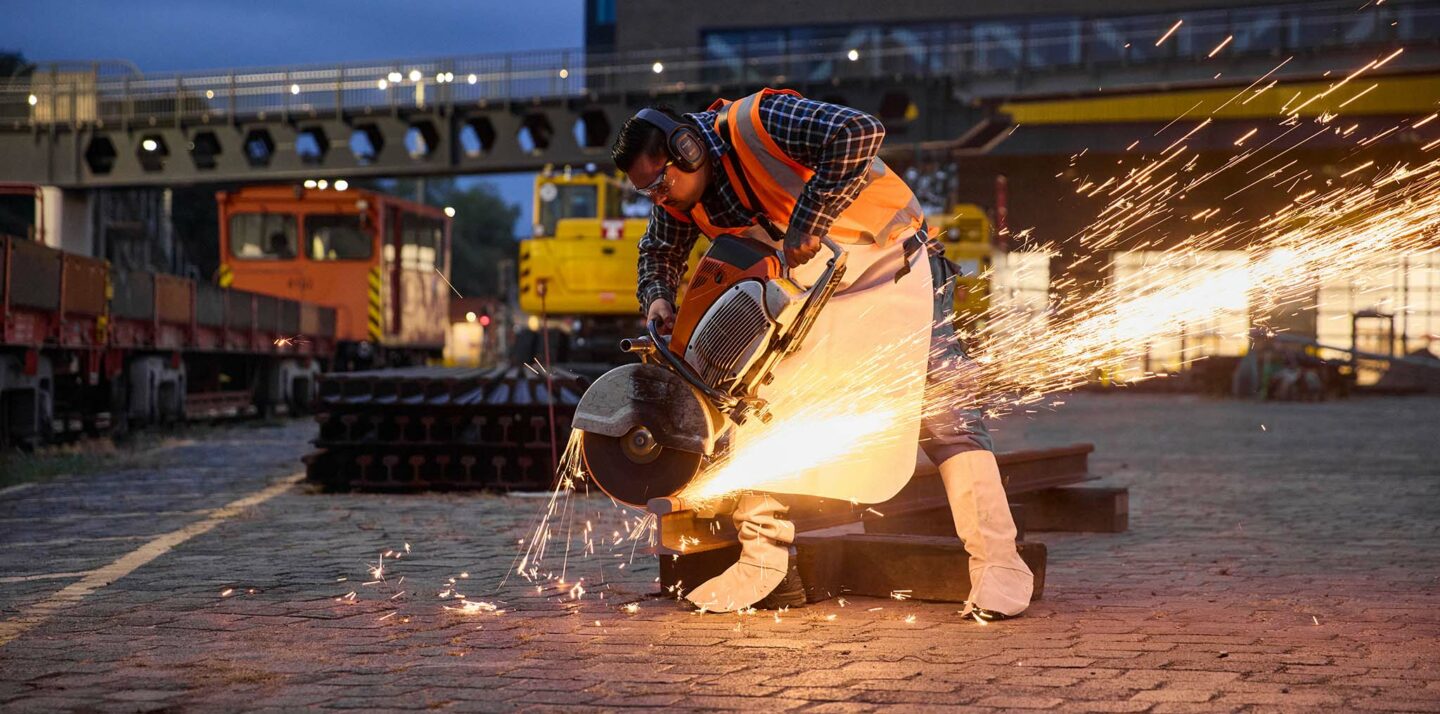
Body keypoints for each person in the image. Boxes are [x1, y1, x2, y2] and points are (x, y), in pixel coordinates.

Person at [612, 89, 1033, 622]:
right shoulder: (681, 198)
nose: (657, 198)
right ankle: (762, 561)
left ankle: (998, 562)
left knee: (942, 411)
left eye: (659, 182)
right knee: (759, 408)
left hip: (893, 268)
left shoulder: (757, 122)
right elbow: (659, 249)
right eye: (645, 190)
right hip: (816, 291)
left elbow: (861, 131)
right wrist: (656, 297)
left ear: (688, 150)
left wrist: (808, 220)